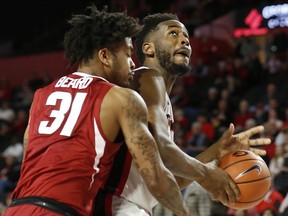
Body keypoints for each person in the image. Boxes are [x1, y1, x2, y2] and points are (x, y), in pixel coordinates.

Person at [3, 6, 193, 216]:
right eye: (128, 54)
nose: (132, 64)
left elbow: (29, 158)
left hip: (17, 208)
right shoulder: (119, 97)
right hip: (62, 210)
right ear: (105, 56)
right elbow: (155, 176)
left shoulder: (41, 95)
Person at [93, 13, 271, 215]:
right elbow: (163, 149)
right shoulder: (147, 78)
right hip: (115, 205)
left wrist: (216, 150)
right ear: (148, 48)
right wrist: (207, 176)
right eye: (173, 33)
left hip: (129, 206)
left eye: (186, 36)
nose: (184, 40)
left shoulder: (163, 99)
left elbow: (170, 180)